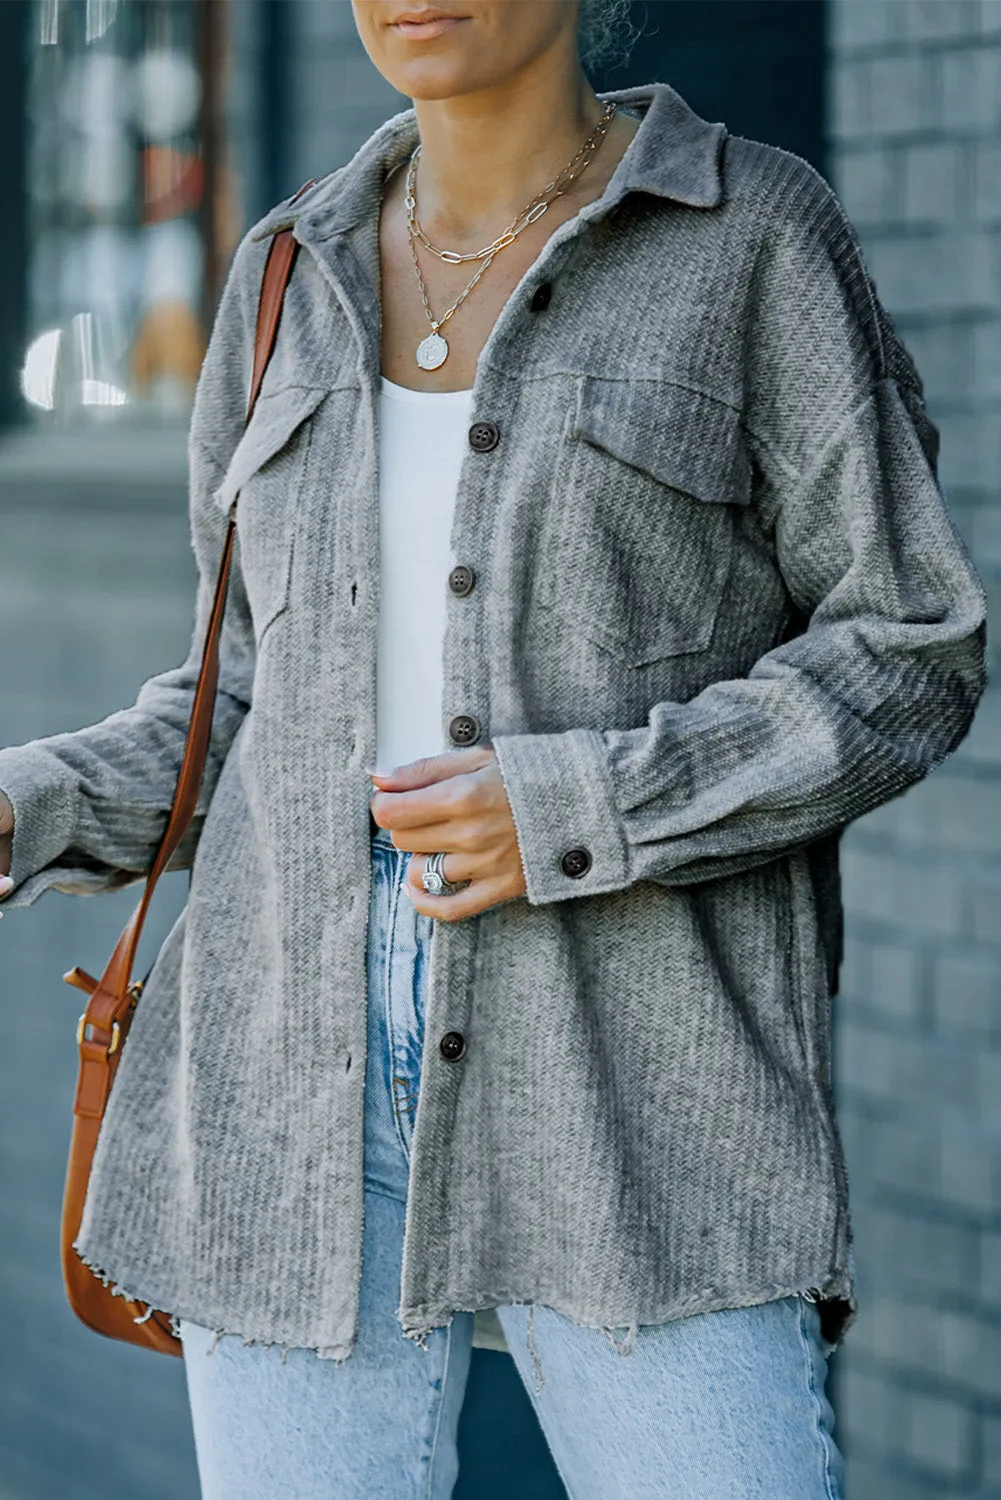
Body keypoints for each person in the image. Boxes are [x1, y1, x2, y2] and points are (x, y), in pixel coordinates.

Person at [0, 1, 987, 1496]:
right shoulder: (281, 271)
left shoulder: (752, 239)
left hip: (639, 1077)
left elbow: (913, 641)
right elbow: (248, 707)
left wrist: (583, 806)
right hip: (282, 1080)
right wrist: (28, 806)